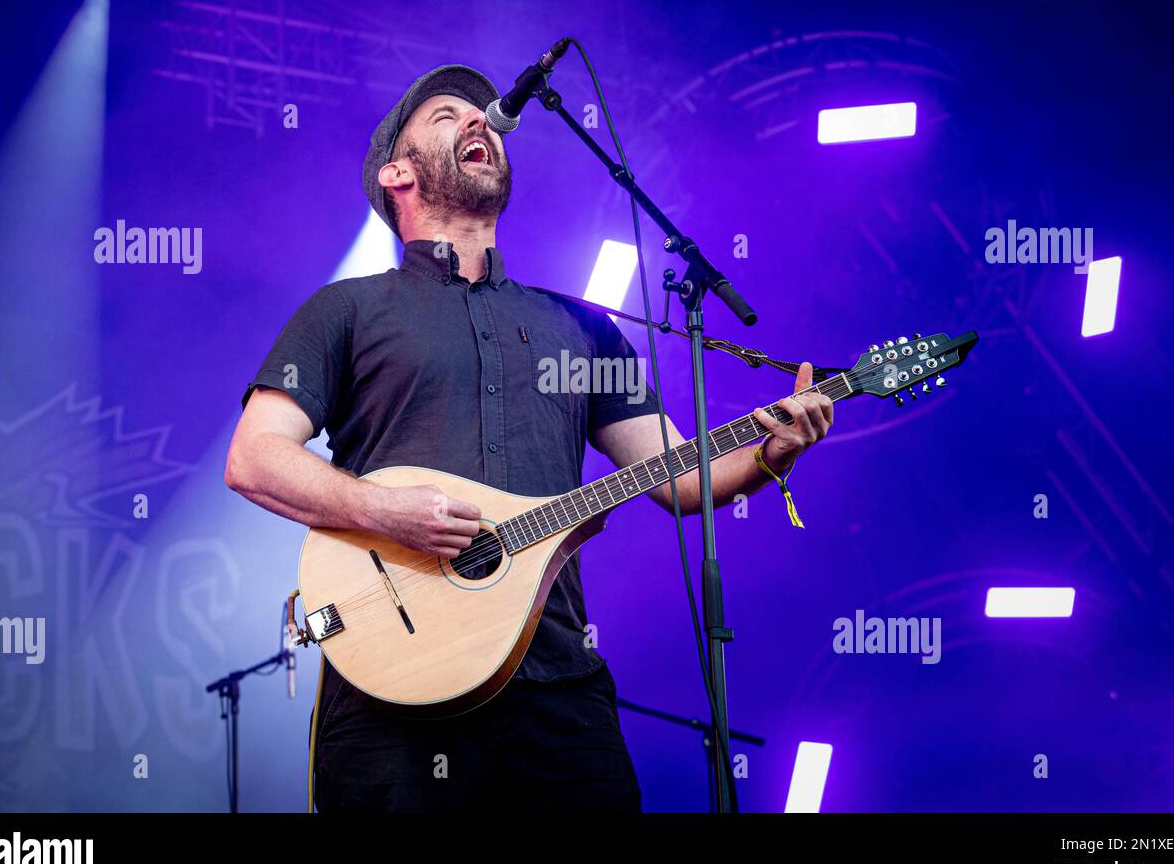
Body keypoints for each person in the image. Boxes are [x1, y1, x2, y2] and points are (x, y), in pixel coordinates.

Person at [224, 64, 834, 811]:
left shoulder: (581, 327)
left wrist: (774, 453)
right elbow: (254, 459)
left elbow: (681, 480)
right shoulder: (345, 309)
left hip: (557, 685)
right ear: (396, 172)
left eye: (483, 113)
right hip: (393, 692)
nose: (480, 121)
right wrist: (386, 513)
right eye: (448, 115)